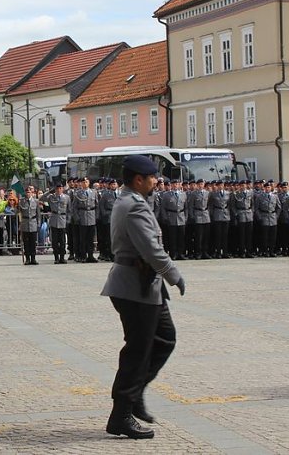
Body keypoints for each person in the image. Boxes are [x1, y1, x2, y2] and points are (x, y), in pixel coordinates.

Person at [101, 155, 185, 440]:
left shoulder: (132, 200)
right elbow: (151, 248)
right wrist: (174, 274)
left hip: (145, 285)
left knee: (164, 339)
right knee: (137, 351)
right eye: (152, 177)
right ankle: (121, 414)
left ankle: (134, 394)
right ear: (138, 180)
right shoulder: (133, 205)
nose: (156, 181)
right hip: (134, 287)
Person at [40, 183, 70, 264]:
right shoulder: (51, 197)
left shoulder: (66, 197)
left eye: (60, 188)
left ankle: (62, 258)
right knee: (55, 241)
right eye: (57, 189)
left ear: (62, 189)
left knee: (62, 241)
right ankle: (56, 257)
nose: (59, 190)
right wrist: (49, 191)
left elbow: (69, 210)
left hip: (63, 219)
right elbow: (42, 198)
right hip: (54, 219)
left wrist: (68, 220)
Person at [19, 185, 41, 265]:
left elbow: (38, 214)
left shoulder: (36, 201)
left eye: (29, 192)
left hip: (33, 223)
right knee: (26, 242)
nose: (28, 194)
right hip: (25, 223)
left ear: (32, 193)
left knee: (33, 242)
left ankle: (33, 258)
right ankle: (27, 258)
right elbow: (18, 212)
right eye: (27, 192)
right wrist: (17, 207)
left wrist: (38, 223)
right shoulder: (22, 201)